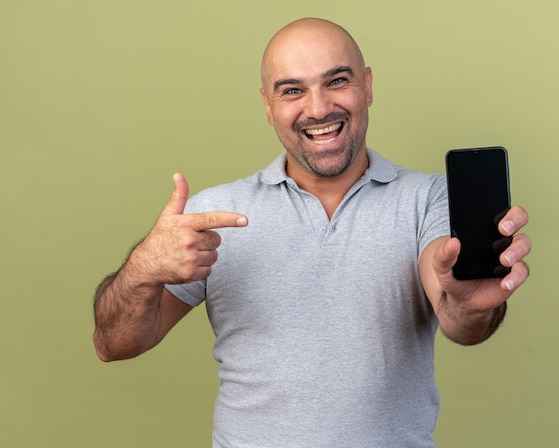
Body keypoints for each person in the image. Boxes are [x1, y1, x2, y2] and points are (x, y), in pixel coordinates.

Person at [93, 17, 531, 448]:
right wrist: (142, 269)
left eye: (337, 81)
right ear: (268, 106)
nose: (319, 109)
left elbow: (458, 316)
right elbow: (113, 344)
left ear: (368, 86)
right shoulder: (214, 213)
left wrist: (471, 305)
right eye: (292, 90)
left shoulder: (429, 199)